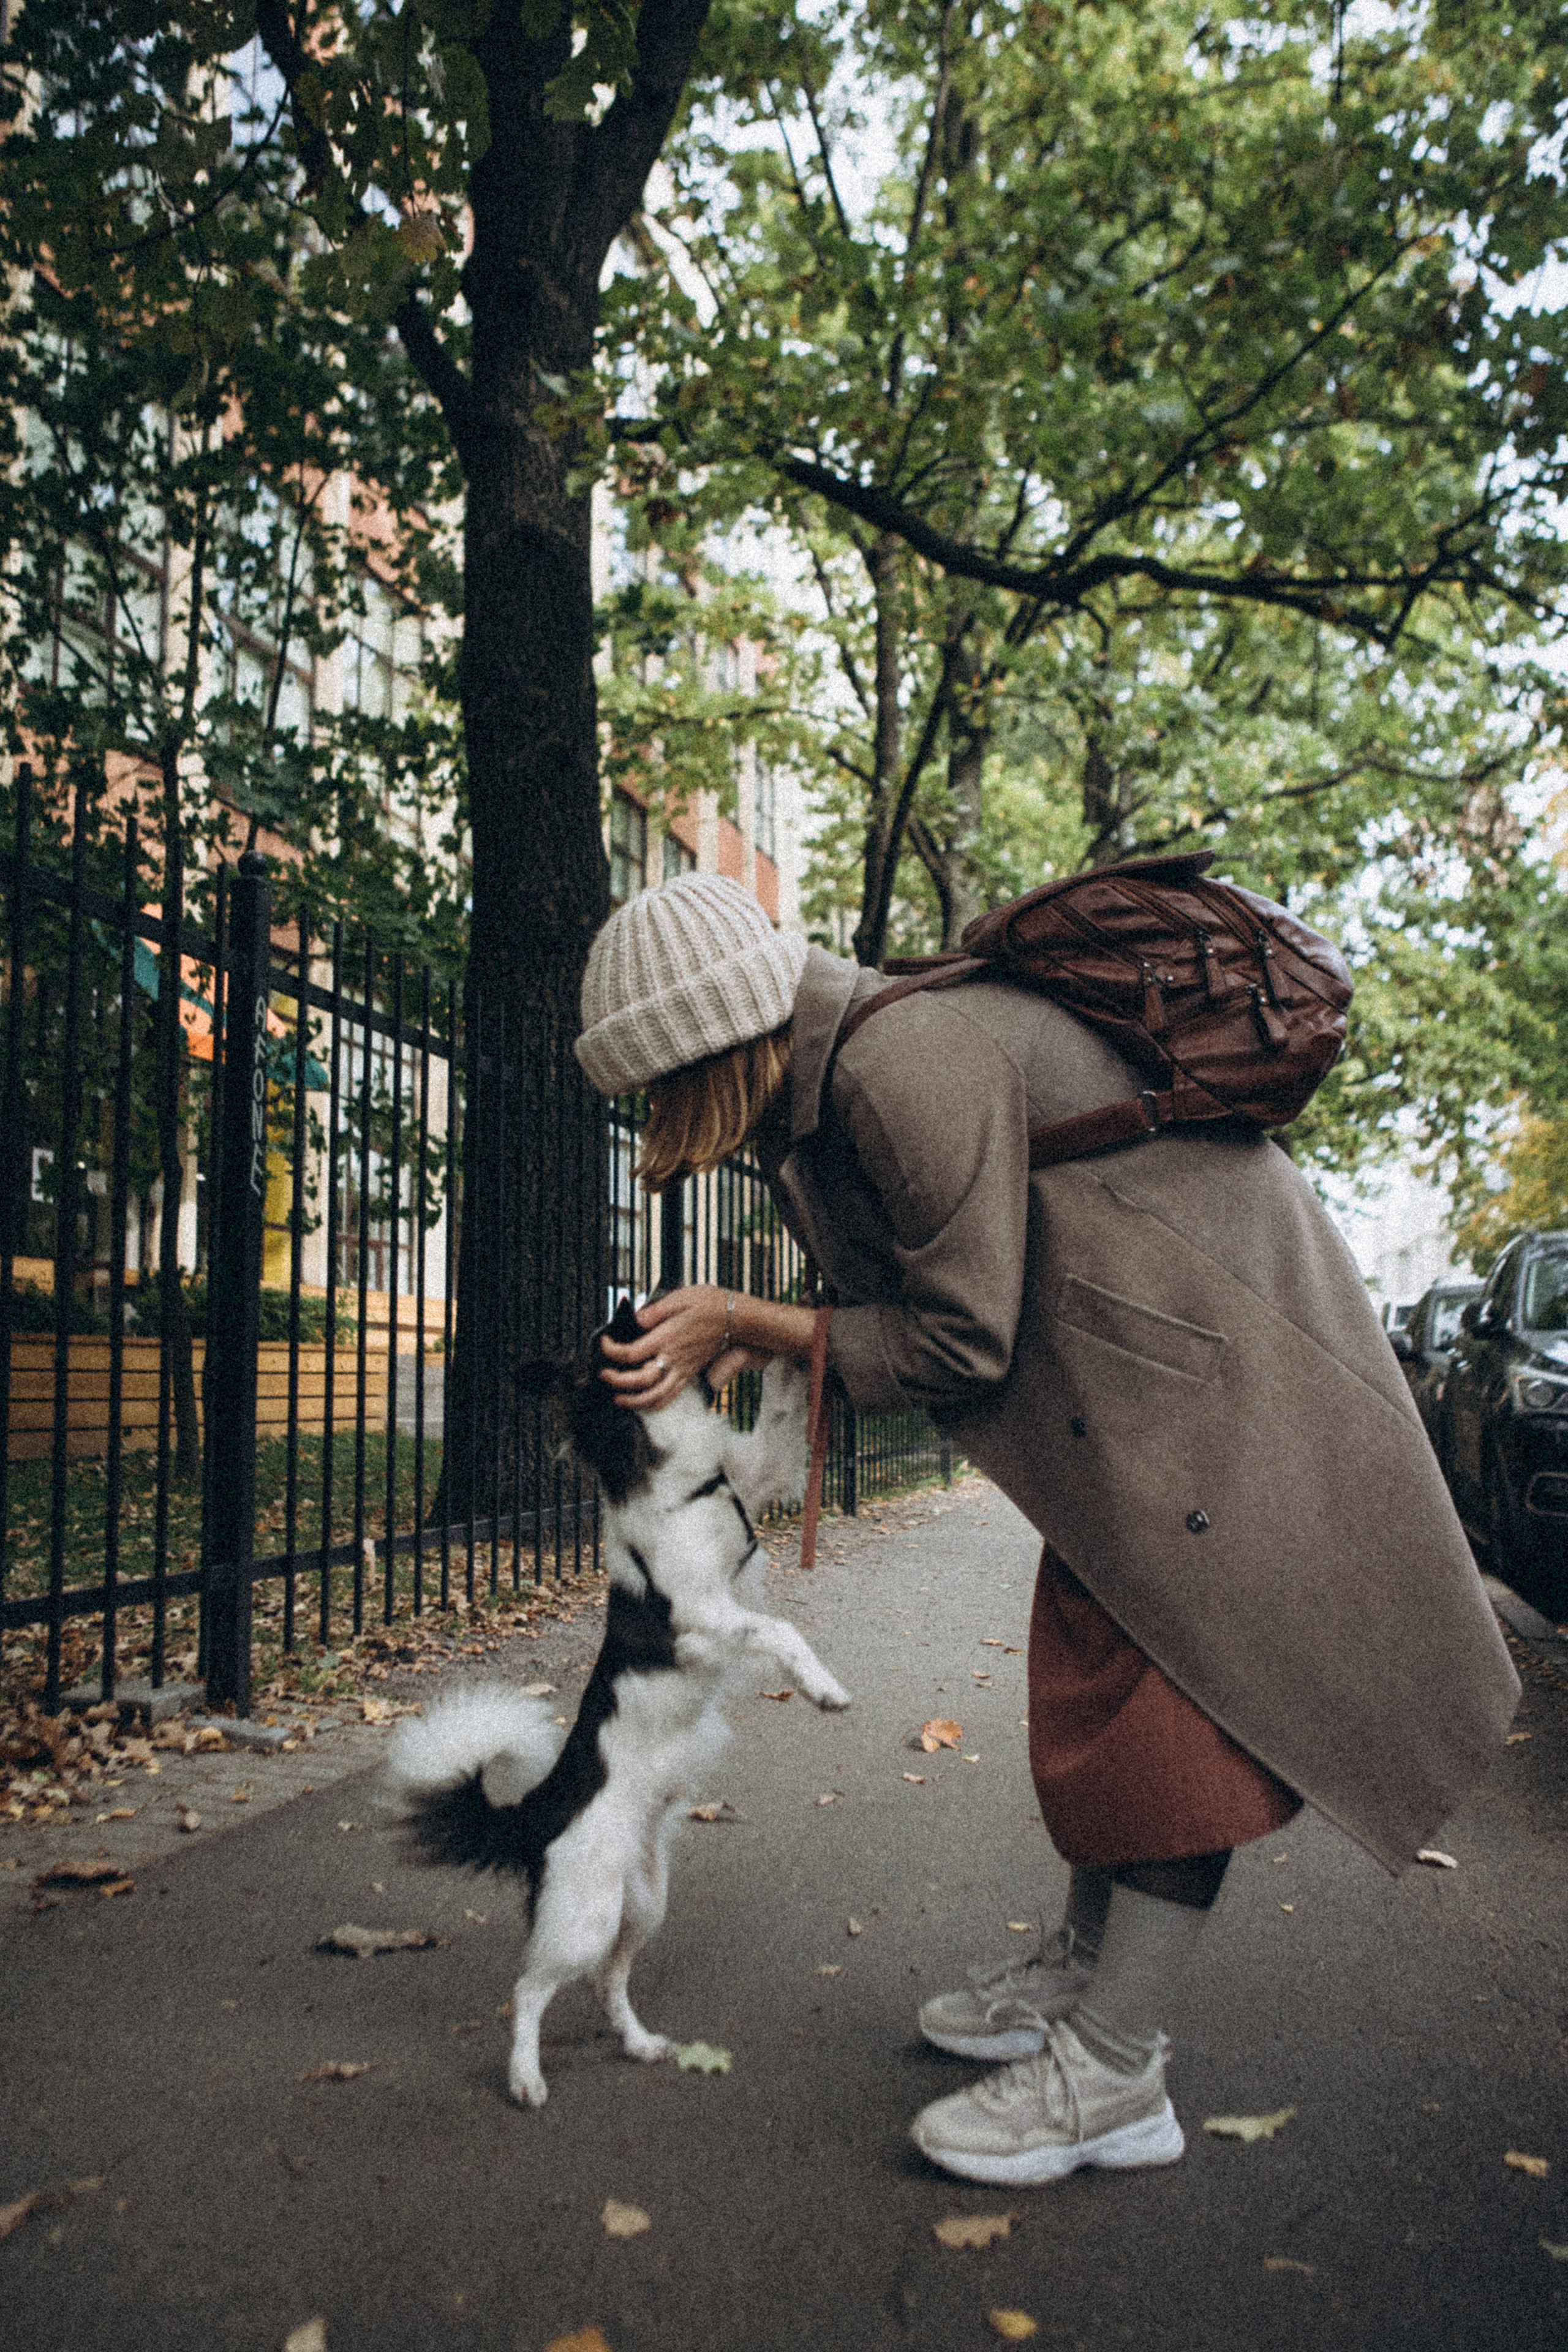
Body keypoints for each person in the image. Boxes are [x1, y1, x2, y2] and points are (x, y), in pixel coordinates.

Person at [573, 872, 1520, 2188]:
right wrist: (779, 1332)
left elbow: (963, 1337)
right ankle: (1085, 1976)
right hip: (1140, 1389)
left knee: (1171, 1716)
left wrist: (751, 1322)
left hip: (1204, 1379)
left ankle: (1117, 2067)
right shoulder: (840, 1071)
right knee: (1102, 1678)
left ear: (710, 1046)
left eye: (657, 1091)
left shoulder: (902, 1058)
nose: (657, 1129)